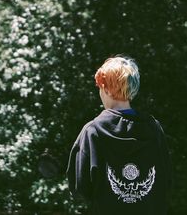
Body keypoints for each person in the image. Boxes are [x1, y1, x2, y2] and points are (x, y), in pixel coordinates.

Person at [66, 55, 172, 215]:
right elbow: (166, 180)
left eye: (100, 87)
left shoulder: (92, 131)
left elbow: (79, 187)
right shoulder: (153, 129)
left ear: (106, 88)